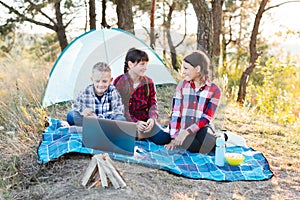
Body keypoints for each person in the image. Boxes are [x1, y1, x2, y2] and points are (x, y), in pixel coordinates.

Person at [165, 50, 222, 153]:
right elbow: (176, 113)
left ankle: (220, 136)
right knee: (189, 145)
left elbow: (206, 118)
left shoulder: (215, 90)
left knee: (208, 142)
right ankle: (214, 139)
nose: (183, 72)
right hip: (184, 130)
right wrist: (174, 137)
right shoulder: (182, 86)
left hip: (201, 129)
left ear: (198, 69)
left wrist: (187, 132)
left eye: (186, 68)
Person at [113, 48, 170, 145]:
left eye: (146, 64)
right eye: (142, 64)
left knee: (164, 138)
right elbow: (121, 108)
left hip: (145, 121)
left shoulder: (148, 82)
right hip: (128, 121)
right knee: (122, 133)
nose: (145, 68)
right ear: (130, 65)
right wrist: (136, 123)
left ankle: (141, 135)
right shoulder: (120, 82)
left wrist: (152, 118)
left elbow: (153, 103)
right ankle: (137, 134)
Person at [66, 62, 125, 126]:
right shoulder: (86, 92)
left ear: (110, 80)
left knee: (121, 119)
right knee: (71, 115)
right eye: (97, 81)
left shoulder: (113, 91)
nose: (101, 84)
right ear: (92, 79)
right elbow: (76, 107)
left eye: (104, 81)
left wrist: (98, 119)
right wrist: (84, 111)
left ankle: (101, 127)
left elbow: (118, 111)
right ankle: (94, 127)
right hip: (90, 121)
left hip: (107, 122)